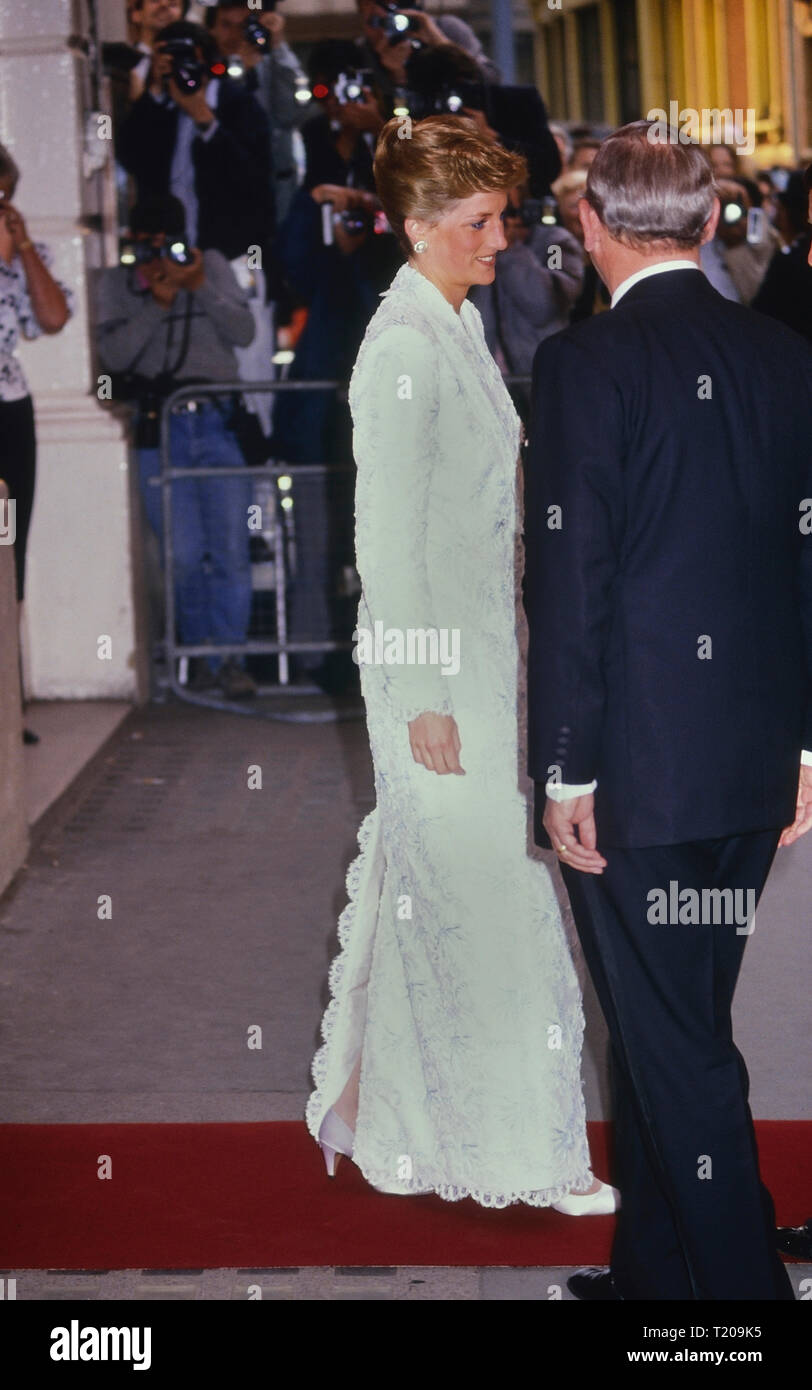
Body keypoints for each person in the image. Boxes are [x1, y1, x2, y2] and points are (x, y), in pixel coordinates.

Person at [305, 114, 617, 1215]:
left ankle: (388, 1122)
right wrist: (427, 694)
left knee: (436, 893)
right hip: (431, 668)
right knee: (485, 902)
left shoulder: (453, 321)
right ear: (420, 224)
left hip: (483, 653)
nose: (503, 240)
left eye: (502, 217)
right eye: (481, 221)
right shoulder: (399, 344)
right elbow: (383, 539)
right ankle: (516, 1156)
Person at [523, 119, 812, 1299]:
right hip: (744, 765)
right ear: (707, 224)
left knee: (677, 1044)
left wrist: (562, 768)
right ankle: (654, 1278)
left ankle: (738, 1305)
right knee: (668, 1022)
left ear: (589, 227)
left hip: (635, 771)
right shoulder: (783, 353)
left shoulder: (582, 364)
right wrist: (801, 742)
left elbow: (571, 577)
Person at [96, 193, 258, 700]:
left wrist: (199, 286)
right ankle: (199, 655)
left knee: (231, 547)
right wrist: (156, 303)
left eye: (169, 243)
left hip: (218, 424)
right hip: (160, 430)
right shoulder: (118, 284)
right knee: (183, 554)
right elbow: (114, 355)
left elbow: (245, 330)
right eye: (148, 247)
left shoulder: (208, 266)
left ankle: (231, 660)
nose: (161, 255)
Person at [0, 143, 72, 745]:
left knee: (9, 550)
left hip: (9, 409)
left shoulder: (24, 258)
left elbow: (51, 319)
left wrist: (19, 250)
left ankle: (7, 703)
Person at [116, 19, 274, 264]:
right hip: (167, 252)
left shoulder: (239, 104)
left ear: (206, 59)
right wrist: (155, 92)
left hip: (229, 253)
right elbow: (130, 158)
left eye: (187, 55)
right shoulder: (156, 108)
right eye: (169, 57)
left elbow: (252, 179)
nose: (180, 64)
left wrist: (204, 118)